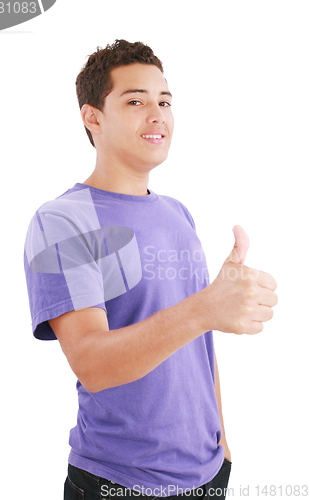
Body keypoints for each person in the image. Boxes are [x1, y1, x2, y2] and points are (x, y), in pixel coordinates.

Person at [24, 40, 278, 499]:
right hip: (117, 482)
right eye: (136, 101)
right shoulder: (64, 221)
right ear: (92, 117)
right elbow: (92, 362)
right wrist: (205, 308)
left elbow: (200, 345)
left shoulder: (178, 213)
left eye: (164, 101)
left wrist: (223, 447)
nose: (157, 114)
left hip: (207, 476)